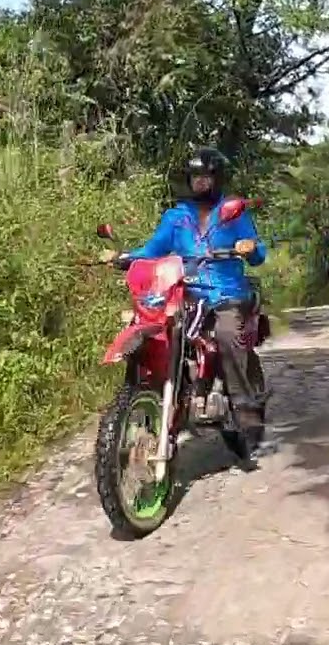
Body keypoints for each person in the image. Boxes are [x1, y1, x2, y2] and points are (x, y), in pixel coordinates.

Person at [114, 147, 268, 441]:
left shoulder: (233, 212)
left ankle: (244, 404)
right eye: (195, 176)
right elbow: (152, 250)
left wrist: (249, 248)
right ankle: (162, 396)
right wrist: (125, 257)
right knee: (159, 329)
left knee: (225, 334)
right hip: (186, 293)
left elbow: (258, 252)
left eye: (206, 176)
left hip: (225, 293)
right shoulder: (176, 217)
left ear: (217, 178)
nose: (200, 182)